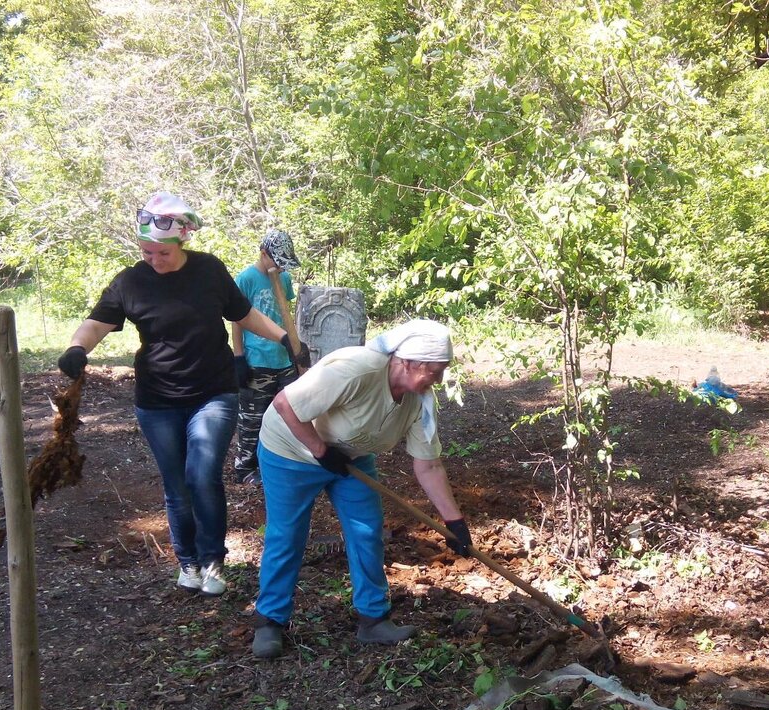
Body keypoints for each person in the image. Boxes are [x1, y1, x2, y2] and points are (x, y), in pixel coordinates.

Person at [57, 191, 310, 596]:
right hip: (157, 401)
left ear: (182, 241)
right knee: (176, 483)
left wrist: (285, 338)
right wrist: (76, 348)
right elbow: (97, 323)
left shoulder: (209, 270)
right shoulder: (130, 282)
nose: (154, 261)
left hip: (213, 392)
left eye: (162, 253)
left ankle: (212, 561)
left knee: (202, 475)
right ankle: (187, 562)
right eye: (146, 252)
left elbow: (242, 313)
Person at [250, 319, 474, 659]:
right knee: (288, 533)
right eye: (435, 370)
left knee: (367, 531)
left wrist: (454, 523)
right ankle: (270, 622)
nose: (439, 380)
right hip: (290, 451)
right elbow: (285, 404)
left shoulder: (418, 401)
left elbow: (428, 465)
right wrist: (320, 451)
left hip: (351, 459)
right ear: (409, 361)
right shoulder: (356, 370)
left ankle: (373, 619)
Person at [230, 230, 304, 485]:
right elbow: (237, 320)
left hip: (282, 358)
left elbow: (286, 313)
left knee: (290, 411)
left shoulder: (284, 279)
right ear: (263, 254)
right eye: (278, 261)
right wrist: (239, 357)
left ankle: (281, 461)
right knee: (253, 416)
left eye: (285, 264)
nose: (281, 268)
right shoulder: (246, 279)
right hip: (257, 359)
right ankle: (245, 468)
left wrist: (294, 345)